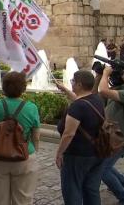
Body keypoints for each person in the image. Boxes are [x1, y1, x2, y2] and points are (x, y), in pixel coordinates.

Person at [0, 71, 40, 205]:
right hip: (24, 156)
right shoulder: (31, 107)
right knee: (23, 200)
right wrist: (33, 152)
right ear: (23, 88)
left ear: (4, 88)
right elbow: (36, 136)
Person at [55, 70, 105, 205]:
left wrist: (59, 153)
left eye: (73, 81)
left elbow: (68, 133)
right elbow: (81, 100)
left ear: (79, 85)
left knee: (72, 191)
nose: (71, 83)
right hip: (96, 153)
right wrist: (65, 89)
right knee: (91, 189)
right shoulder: (96, 99)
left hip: (77, 155)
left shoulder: (77, 107)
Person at [98, 66, 124, 203]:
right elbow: (96, 92)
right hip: (113, 135)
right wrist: (100, 75)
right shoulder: (120, 88)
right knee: (105, 165)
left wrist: (106, 73)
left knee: (102, 169)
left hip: (119, 138)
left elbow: (103, 91)